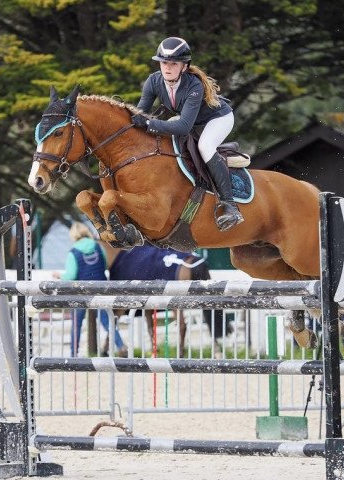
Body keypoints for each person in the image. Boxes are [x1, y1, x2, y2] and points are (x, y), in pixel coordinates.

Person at [131, 36, 244, 232]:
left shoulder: (194, 86)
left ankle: (230, 205)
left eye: (173, 63)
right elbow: (140, 114)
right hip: (192, 121)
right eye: (164, 62)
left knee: (205, 146)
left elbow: (183, 126)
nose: (167, 67)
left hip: (217, 119)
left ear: (184, 66)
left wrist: (148, 123)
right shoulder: (153, 81)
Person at [60, 222, 127, 357]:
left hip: (81, 292)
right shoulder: (98, 247)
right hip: (100, 288)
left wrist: (60, 276)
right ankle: (120, 346)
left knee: (76, 324)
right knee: (106, 320)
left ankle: (73, 355)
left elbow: (71, 275)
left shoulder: (74, 252)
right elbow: (105, 265)